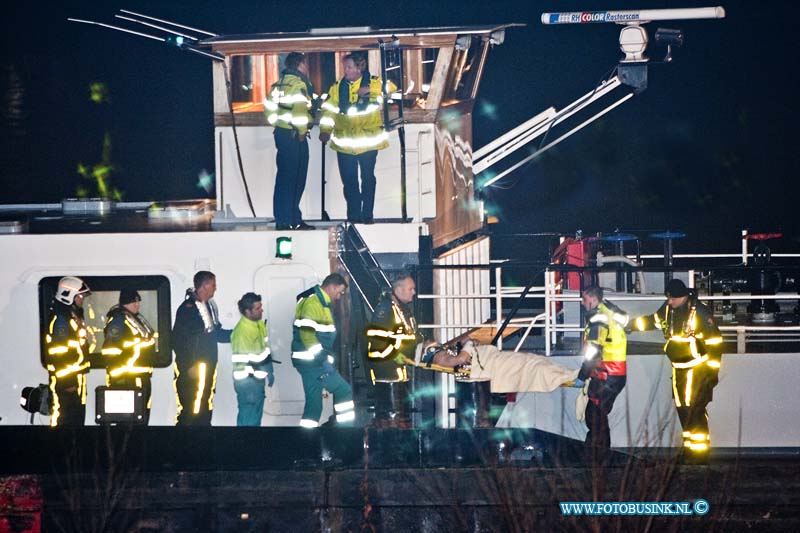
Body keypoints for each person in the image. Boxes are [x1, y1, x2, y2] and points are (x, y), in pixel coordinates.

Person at [630, 279, 723, 461]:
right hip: (679, 370)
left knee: (694, 411)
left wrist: (712, 373)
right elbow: (652, 321)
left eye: (672, 299)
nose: (669, 302)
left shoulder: (700, 312)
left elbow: (715, 343)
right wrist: (631, 325)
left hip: (697, 370)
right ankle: (690, 451)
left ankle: (699, 456)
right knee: (683, 410)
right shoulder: (668, 309)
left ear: (683, 296)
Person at [319, 53, 396, 223]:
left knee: (368, 179)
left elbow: (392, 87)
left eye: (349, 67)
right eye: (345, 67)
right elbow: (329, 111)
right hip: (344, 144)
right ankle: (354, 217)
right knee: (349, 182)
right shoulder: (337, 87)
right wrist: (325, 129)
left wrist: (369, 90)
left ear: (359, 67)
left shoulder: (374, 82)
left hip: (368, 143)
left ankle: (367, 215)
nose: (345, 70)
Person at [291, 273, 354, 427]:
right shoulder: (314, 304)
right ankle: (345, 434)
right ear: (331, 287)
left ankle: (306, 441)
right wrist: (323, 360)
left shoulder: (320, 302)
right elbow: (308, 336)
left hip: (309, 363)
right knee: (344, 391)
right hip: (314, 363)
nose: (339, 297)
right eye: (339, 292)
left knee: (314, 406)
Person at [171, 271, 231, 426]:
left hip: (207, 364)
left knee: (204, 402)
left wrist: (236, 335)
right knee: (192, 408)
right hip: (194, 368)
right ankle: (188, 440)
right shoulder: (188, 309)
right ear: (204, 286)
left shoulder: (208, 307)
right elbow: (178, 340)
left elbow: (214, 333)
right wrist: (189, 365)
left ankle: (203, 432)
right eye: (213, 284)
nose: (215, 288)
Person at [575, 286, 628, 459]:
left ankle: (598, 455)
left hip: (607, 374)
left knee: (595, 416)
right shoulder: (609, 310)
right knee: (597, 414)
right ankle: (597, 452)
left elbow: (594, 350)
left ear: (592, 298)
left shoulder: (598, 317)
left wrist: (582, 375)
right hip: (611, 373)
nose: (582, 303)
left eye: (584, 299)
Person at [265, 52, 315, 230]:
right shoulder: (299, 84)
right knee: (296, 179)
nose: (307, 68)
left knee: (283, 178)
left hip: (282, 134)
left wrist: (279, 125)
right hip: (295, 137)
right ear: (300, 65)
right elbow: (300, 111)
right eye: (306, 64)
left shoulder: (277, 85)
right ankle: (293, 220)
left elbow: (269, 110)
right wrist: (301, 131)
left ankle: (283, 219)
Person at [365, 274, 422, 427]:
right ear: (399, 289)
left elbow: (409, 334)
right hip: (387, 373)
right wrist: (405, 348)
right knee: (391, 419)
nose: (414, 292)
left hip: (397, 370)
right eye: (411, 289)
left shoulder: (401, 309)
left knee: (400, 416)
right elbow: (379, 338)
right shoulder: (385, 310)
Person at [101, 289, 156, 424]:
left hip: (140, 376)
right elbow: (111, 350)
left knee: (141, 415)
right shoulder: (118, 321)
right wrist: (119, 378)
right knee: (128, 419)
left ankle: (138, 442)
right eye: (134, 302)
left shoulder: (135, 319)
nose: (137, 305)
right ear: (126, 303)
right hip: (127, 379)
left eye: (138, 302)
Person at [44, 276, 92, 427]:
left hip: (75, 381)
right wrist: (68, 383)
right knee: (64, 421)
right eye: (80, 296)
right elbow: (60, 353)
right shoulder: (61, 322)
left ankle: (75, 450)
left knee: (76, 422)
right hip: (66, 384)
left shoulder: (71, 317)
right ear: (68, 296)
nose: (82, 299)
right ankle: (62, 450)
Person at [230, 292, 274, 426]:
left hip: (256, 381)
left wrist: (269, 370)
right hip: (247, 383)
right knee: (248, 422)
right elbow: (249, 360)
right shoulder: (242, 332)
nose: (261, 310)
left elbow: (264, 351)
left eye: (261, 306)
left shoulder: (259, 324)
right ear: (247, 312)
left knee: (254, 420)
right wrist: (267, 369)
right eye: (258, 308)